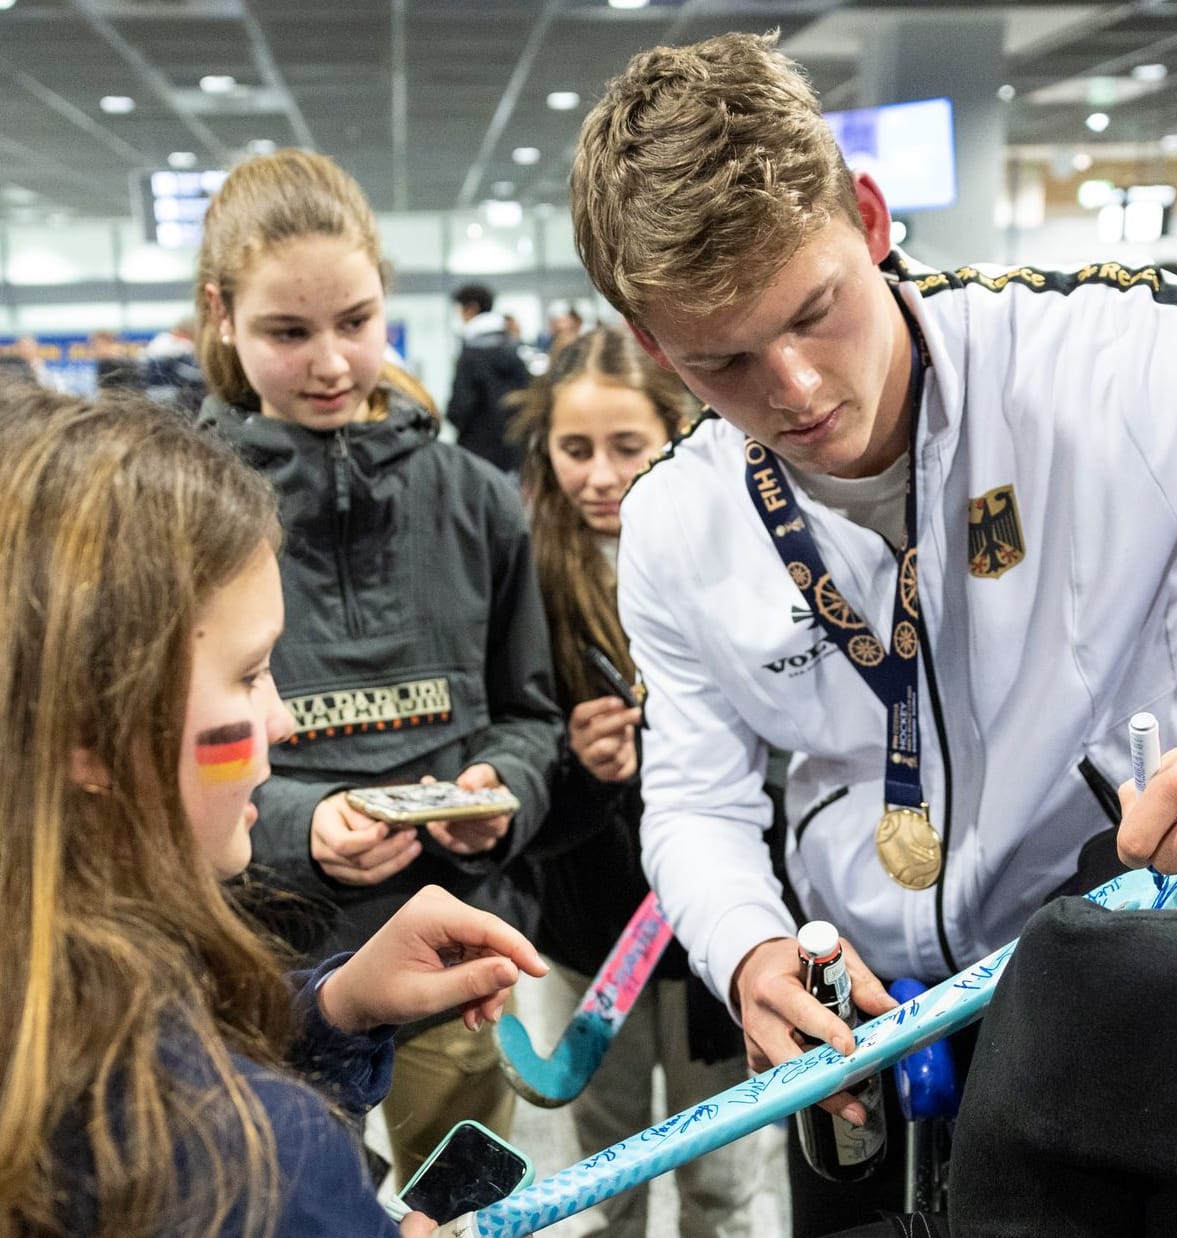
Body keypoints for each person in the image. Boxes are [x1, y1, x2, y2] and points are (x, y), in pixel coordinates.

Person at [570, 32, 1177, 1233]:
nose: (798, 390)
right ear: (655, 346)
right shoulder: (673, 521)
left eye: (816, 311)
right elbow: (699, 801)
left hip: (1123, 997)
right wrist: (751, 953)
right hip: (858, 1032)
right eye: (724, 361)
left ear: (867, 218)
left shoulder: (1117, 363)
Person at [0, 378, 546, 1237]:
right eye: (247, 675)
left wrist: (331, 1013)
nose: (280, 719)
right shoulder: (251, 1166)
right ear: (86, 727)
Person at [194, 149, 561, 1185]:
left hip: (450, 942)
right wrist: (299, 823)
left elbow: (529, 711)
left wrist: (505, 792)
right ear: (220, 314)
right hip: (257, 960)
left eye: (355, 322)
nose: (329, 364)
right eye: (286, 331)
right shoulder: (180, 508)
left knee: (462, 1202)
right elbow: (142, 754)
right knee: (297, 1201)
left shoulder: (476, 497)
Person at [511, 326, 760, 1238]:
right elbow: (513, 761)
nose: (601, 475)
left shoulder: (739, 554)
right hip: (589, 931)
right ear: (545, 452)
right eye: (576, 450)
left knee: (722, 1179)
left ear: (677, 431)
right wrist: (577, 767)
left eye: (627, 447)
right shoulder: (526, 576)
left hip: (716, 935)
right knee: (609, 1178)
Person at [447, 282, 531, 472]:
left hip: (478, 454)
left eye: (461, 310)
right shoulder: (513, 346)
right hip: (514, 452)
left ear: (472, 308)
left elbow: (459, 409)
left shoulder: (471, 353)